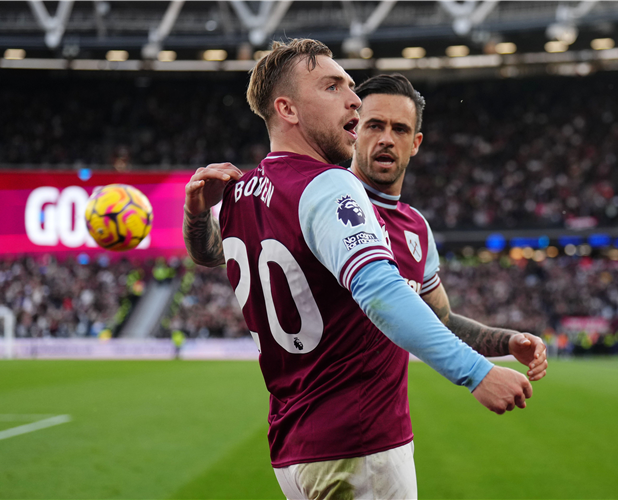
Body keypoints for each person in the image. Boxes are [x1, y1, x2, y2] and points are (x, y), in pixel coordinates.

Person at [183, 38, 532, 499]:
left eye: (351, 86)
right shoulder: (330, 185)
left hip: (295, 446)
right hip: (359, 444)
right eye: (332, 87)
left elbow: (210, 253)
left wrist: (195, 213)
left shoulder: (243, 191)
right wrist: (476, 372)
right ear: (287, 109)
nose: (352, 98)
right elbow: (380, 291)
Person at [350, 74, 547, 378]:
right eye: (375, 125)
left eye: (400, 129)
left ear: (415, 143)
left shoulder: (416, 227)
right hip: (319, 420)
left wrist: (509, 341)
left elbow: (443, 321)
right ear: (353, 130)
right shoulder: (325, 204)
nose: (387, 139)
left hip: (392, 425)